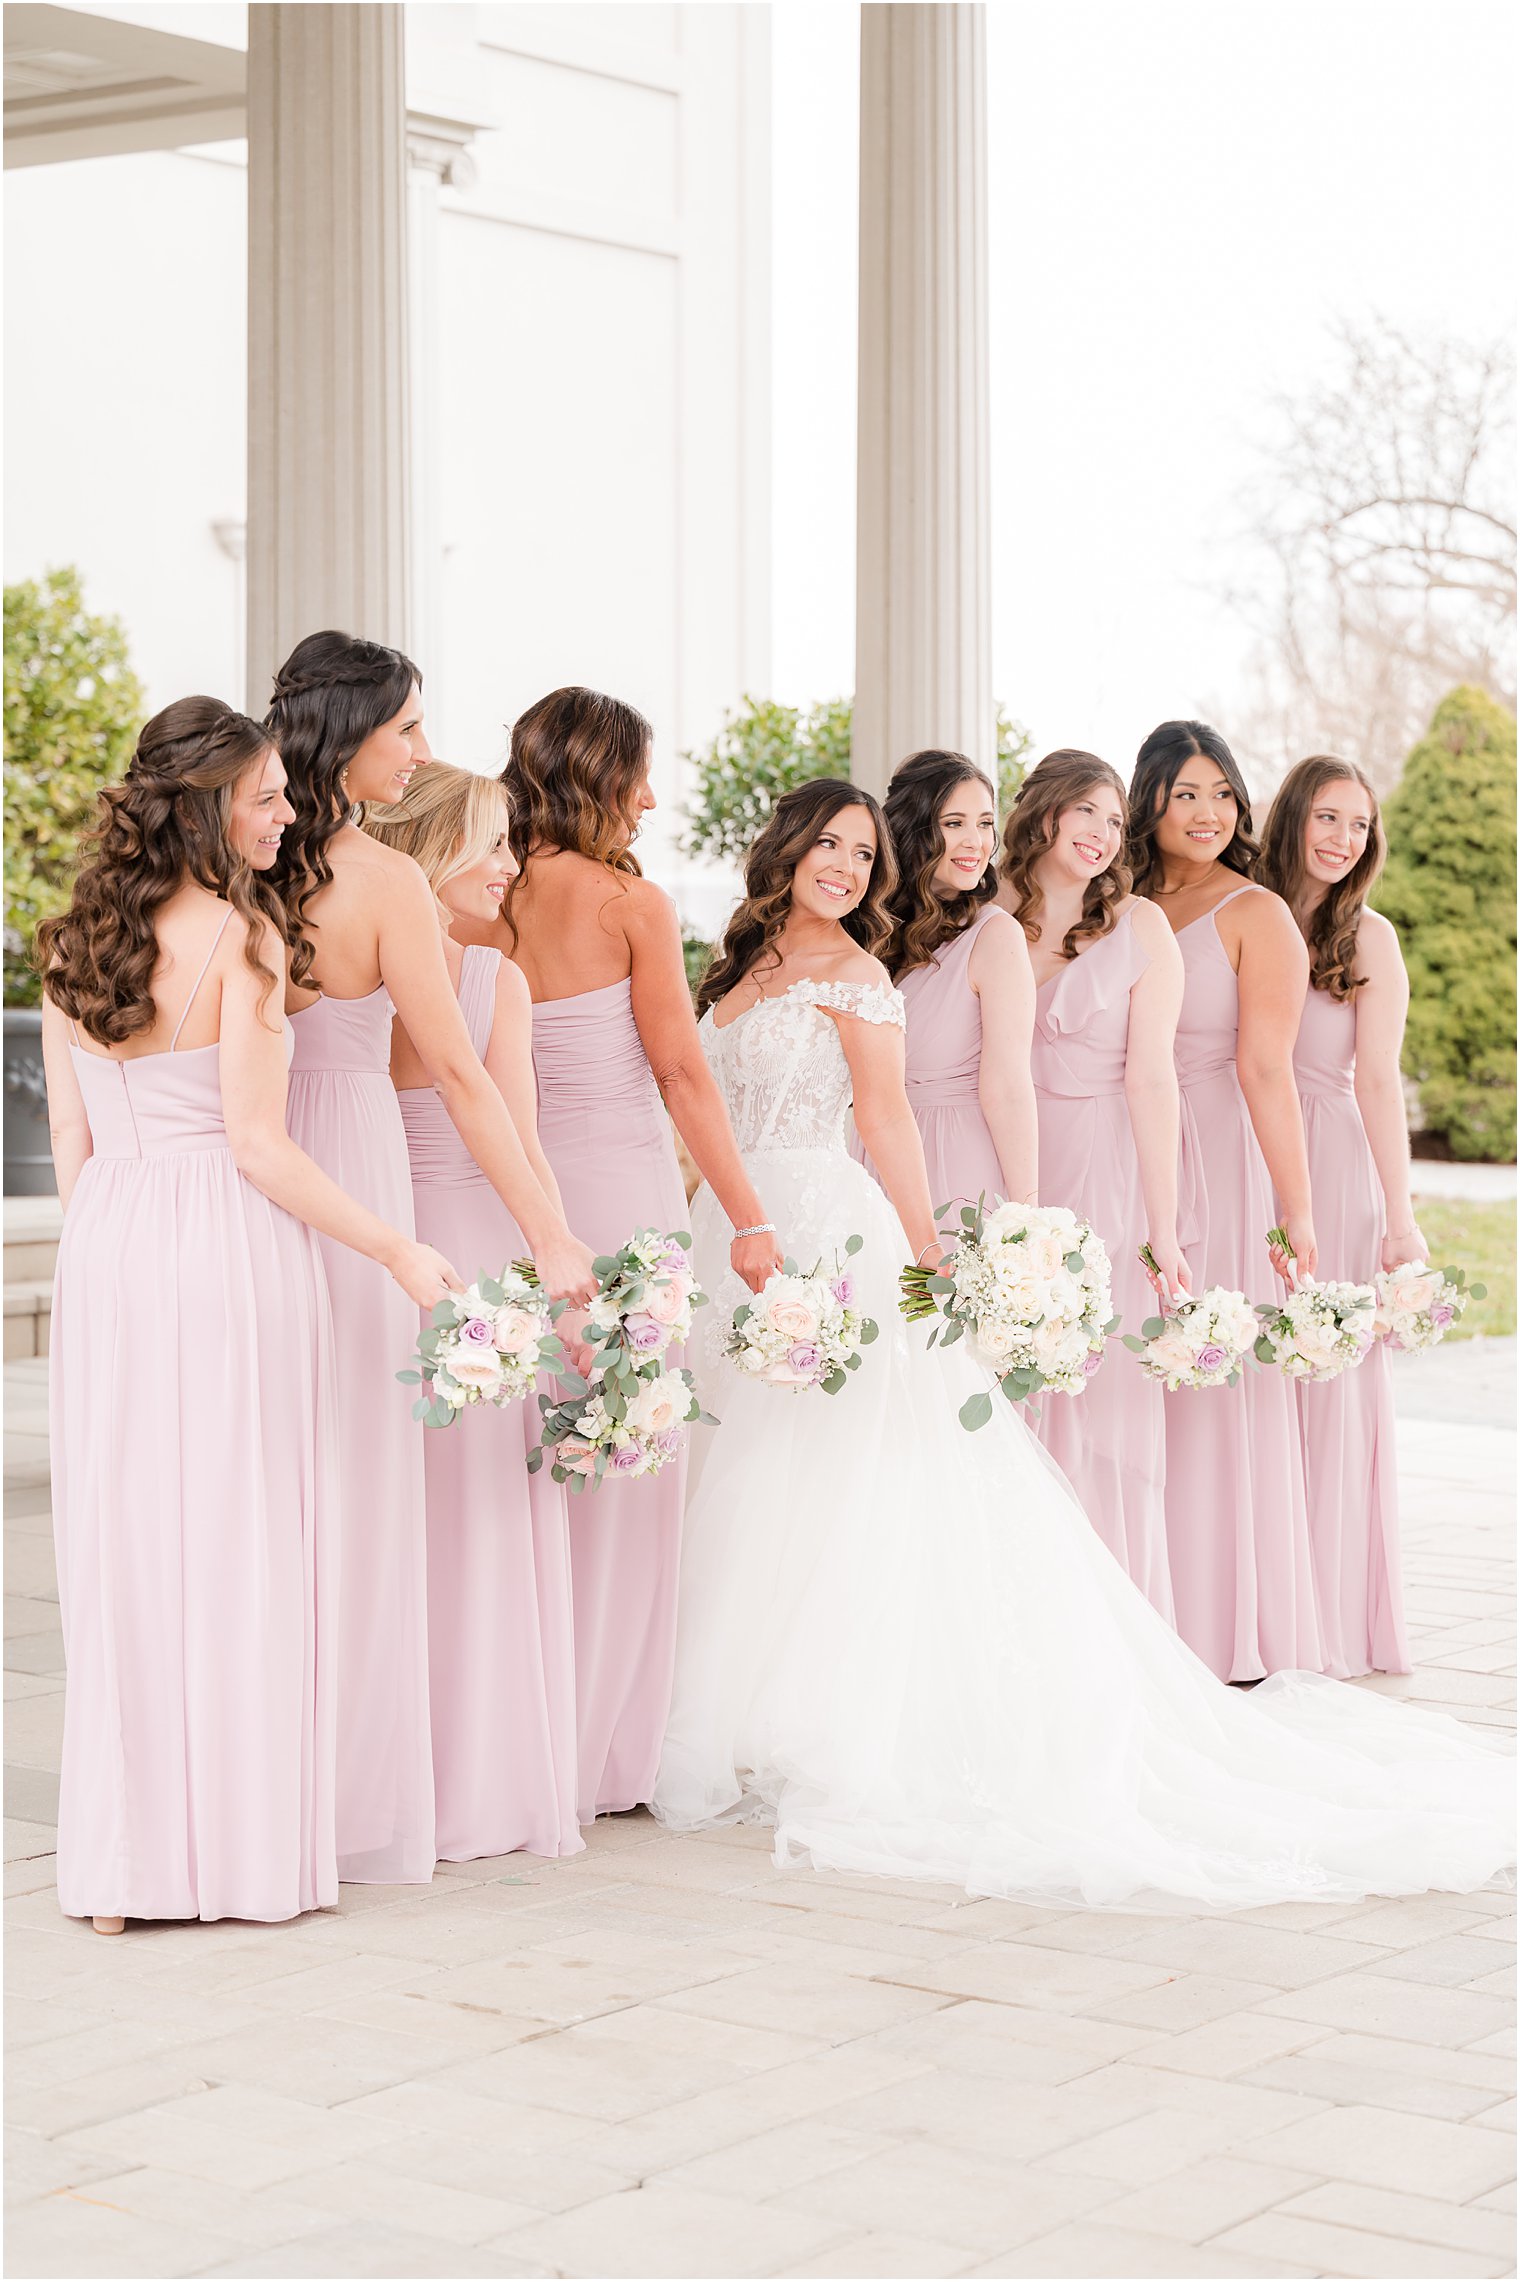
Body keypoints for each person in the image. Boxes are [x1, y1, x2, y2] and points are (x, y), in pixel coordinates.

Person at [651, 776, 1512, 1908]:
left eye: (863, 854)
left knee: (822, 1469)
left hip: (824, 1231)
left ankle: (810, 1712)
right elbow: (690, 1102)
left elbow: (888, 1121)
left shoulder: (863, 978)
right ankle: (712, 1695)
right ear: (786, 850)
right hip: (728, 1231)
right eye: (830, 846)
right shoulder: (731, 968)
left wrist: (927, 1258)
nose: (848, 868)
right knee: (737, 1460)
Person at [39, 698, 456, 1932]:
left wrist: (114, 1251)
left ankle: (122, 1875)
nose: (289, 815)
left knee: (127, 1552)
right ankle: (236, 1857)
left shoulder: (68, 939)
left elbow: (73, 1146)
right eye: (268, 796)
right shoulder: (247, 942)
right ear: (207, 805)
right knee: (238, 1543)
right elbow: (262, 1149)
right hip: (224, 1249)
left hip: (110, 1251)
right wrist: (394, 1245)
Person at [268, 632, 596, 1884]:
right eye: (406, 726)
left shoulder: (237, 855)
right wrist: (553, 1233)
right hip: (348, 1167)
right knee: (357, 1484)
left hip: (251, 1168)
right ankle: (356, 1789)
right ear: (352, 728)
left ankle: (299, 1777)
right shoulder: (374, 881)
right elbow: (460, 1079)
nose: (419, 748)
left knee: (289, 1486)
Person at [474, 685, 783, 1821]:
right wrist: (747, 1212)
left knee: (531, 1456)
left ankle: (524, 1730)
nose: (649, 798)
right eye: (636, 775)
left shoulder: (479, 894)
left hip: (510, 1197)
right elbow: (682, 1074)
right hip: (617, 1190)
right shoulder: (629, 903)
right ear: (594, 775)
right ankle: (607, 1752)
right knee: (630, 1455)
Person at [364, 764, 583, 1861]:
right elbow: (511, 1128)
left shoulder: (485, 976)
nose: (507, 866)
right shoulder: (463, 976)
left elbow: (524, 1135)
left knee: (446, 1510)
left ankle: (424, 1776)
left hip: (431, 1254)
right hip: (402, 1251)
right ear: (425, 844)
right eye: (488, 843)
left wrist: (556, 1260)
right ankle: (453, 1776)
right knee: (433, 1513)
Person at [1129, 720, 1323, 1681]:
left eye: (1220, 794)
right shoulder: (1116, 900)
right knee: (1129, 1378)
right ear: (1150, 803)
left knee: (1207, 1376)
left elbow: (1269, 1071)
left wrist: (1296, 1204)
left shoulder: (1256, 914)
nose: (1206, 813)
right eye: (1184, 794)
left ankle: (1219, 1624)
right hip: (1122, 1153)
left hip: (1218, 1152)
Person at [998, 751, 1186, 1616]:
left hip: (1101, 1174)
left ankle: (1112, 1614)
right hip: (998, 1167)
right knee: (1005, 1383)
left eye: (1116, 822)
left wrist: (1165, 1226)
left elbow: (1153, 1081)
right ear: (1043, 813)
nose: (1105, 836)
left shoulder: (1143, 927)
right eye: (1088, 813)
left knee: (1102, 1392)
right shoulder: (980, 913)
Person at [1260, 756, 1420, 1676]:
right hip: (1246, 1159)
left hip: (1334, 1168)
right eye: (1327, 817)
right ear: (1292, 820)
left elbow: (1378, 1081)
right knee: (1253, 1381)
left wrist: (1399, 1218)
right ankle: (1262, 1599)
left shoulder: (1371, 942)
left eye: (1359, 825)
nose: (1343, 839)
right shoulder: (1242, 912)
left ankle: (1330, 1615)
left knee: (1326, 1383)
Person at [872, 747, 1037, 1211]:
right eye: (954, 823)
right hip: (868, 1164)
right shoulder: (868, 930)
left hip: (953, 1167)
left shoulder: (996, 935)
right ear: (914, 829)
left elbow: (1008, 1085)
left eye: (985, 823)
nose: (976, 841)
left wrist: (1027, 1222)